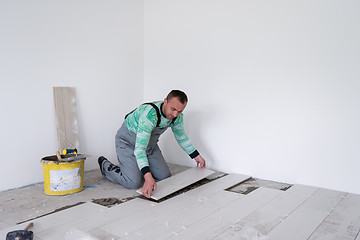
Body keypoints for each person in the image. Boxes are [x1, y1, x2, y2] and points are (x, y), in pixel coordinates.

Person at [98, 90, 206, 198]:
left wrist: (196, 156)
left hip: (149, 145)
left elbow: (181, 137)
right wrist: (148, 176)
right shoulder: (149, 115)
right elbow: (140, 149)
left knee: (165, 177)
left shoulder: (177, 116)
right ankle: (105, 166)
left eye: (179, 111)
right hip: (128, 143)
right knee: (133, 182)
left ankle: (136, 168)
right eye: (173, 109)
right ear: (165, 101)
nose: (175, 114)